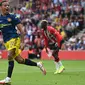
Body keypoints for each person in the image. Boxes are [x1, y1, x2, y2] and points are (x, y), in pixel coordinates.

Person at [0, 0, 46, 84]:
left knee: (10, 55)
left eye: (8, 5)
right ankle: (38, 64)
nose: (7, 7)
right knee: (20, 60)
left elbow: (22, 30)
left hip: (14, 39)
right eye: (5, 6)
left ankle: (8, 79)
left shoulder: (13, 17)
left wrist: (22, 42)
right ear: (1, 7)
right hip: (7, 42)